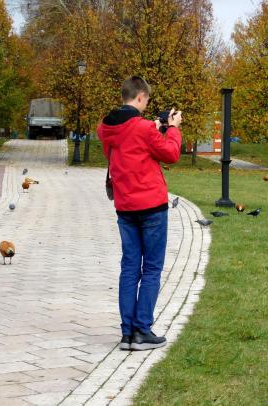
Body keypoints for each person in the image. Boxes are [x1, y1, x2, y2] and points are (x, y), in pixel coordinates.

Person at [97, 76, 182, 351]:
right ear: (142, 97)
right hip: (151, 207)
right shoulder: (144, 128)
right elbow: (170, 154)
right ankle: (142, 330)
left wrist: (154, 127)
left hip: (125, 206)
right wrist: (172, 128)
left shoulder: (106, 126)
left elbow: (130, 146)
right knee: (152, 268)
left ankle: (127, 333)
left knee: (130, 267)